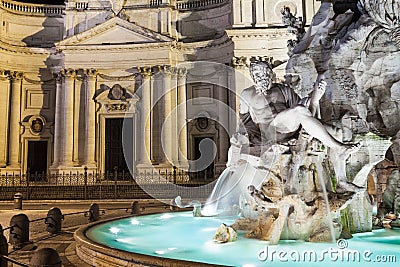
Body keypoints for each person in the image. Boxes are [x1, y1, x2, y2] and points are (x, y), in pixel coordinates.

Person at [233, 61, 361, 192]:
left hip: (289, 128)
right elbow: (244, 120)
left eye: (261, 73)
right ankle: (338, 147)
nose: (258, 77)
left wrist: (315, 98)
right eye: (255, 75)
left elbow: (306, 112)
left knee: (336, 132)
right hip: (269, 131)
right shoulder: (247, 94)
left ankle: (341, 180)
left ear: (269, 73)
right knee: (299, 110)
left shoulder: (283, 90)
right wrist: (247, 140)